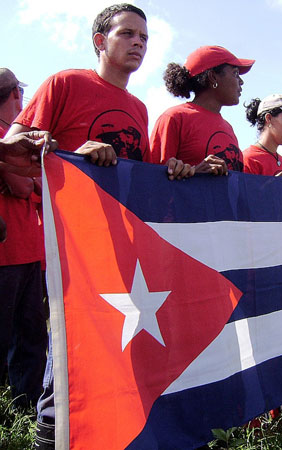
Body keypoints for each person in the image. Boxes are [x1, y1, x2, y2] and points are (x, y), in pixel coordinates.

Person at [6, 4, 173, 447]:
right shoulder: (65, 83)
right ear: (100, 41)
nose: (138, 43)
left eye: (144, 37)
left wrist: (178, 169)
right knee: (69, 354)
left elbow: (144, 177)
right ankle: (49, 436)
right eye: (127, 34)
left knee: (115, 356)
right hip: (73, 248)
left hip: (127, 252)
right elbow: (12, 149)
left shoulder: (139, 107)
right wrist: (76, 151)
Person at [0, 68, 48, 411]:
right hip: (8, 252)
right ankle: (16, 409)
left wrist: (27, 184)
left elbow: (36, 188)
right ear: (15, 94)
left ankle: (23, 407)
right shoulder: (9, 138)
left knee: (31, 337)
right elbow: (23, 186)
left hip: (28, 250)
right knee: (16, 337)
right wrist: (27, 184)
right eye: (19, 92)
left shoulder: (13, 137)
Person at [150, 45, 254, 175]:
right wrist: (195, 173)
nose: (241, 82)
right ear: (213, 77)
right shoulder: (174, 117)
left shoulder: (228, 128)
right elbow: (152, 179)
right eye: (235, 73)